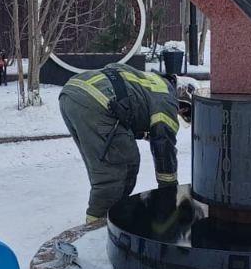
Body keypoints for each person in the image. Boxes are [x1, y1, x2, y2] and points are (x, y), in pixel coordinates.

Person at [59, 64, 192, 223]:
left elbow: (133, 104)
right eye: (185, 113)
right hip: (97, 101)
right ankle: (95, 228)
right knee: (118, 171)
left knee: (115, 167)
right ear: (184, 102)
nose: (181, 115)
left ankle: (113, 219)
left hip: (74, 93)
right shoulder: (167, 100)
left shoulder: (153, 82)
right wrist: (168, 190)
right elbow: (164, 145)